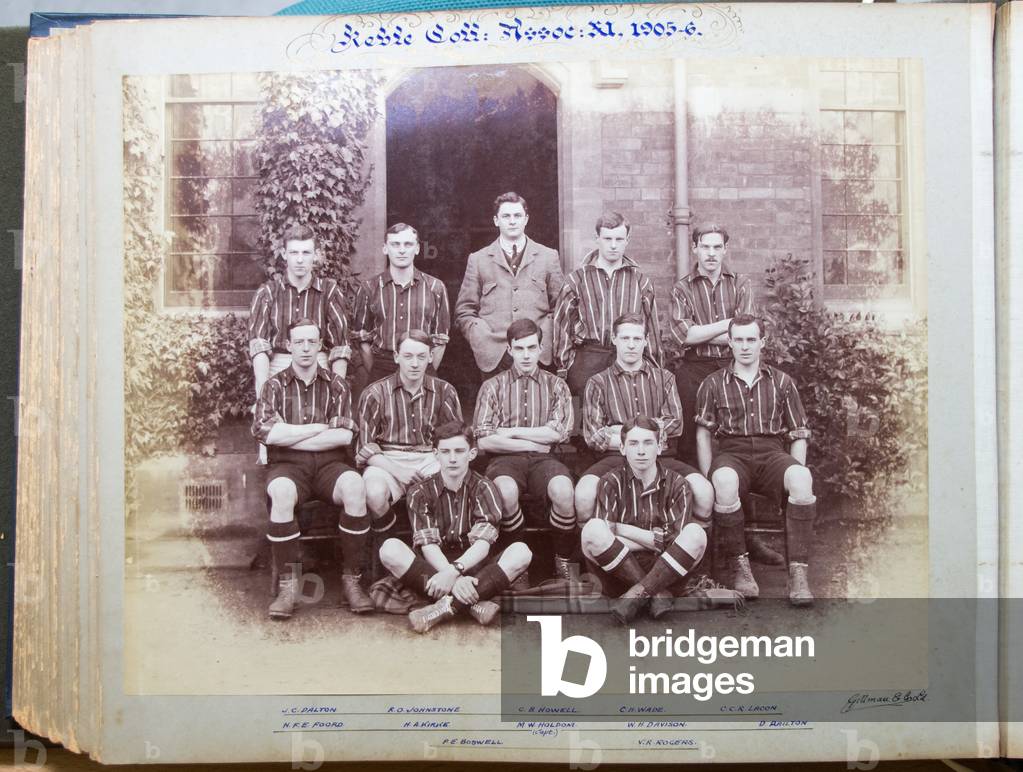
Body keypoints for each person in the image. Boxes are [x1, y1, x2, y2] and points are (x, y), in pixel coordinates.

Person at [669, 225, 781, 566]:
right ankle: (700, 536)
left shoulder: (740, 284)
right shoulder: (683, 287)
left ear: (725, 250)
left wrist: (713, 331)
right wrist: (727, 326)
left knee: (737, 448)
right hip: (694, 371)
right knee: (693, 447)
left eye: (717, 247)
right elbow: (684, 336)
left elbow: (746, 332)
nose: (711, 253)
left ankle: (744, 539)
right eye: (705, 246)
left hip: (735, 370)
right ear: (695, 248)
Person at [251, 318, 372, 620]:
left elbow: (343, 436)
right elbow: (267, 433)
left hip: (331, 463)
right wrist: (319, 428)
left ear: (320, 346)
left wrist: (290, 434)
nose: (305, 348)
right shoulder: (273, 386)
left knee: (355, 487)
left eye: (311, 342)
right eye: (299, 342)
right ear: (288, 346)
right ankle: (288, 586)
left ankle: (352, 581)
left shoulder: (337, 385)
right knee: (281, 492)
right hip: (288, 467)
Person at [695, 314, 817, 606]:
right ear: (729, 343)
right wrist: (709, 476)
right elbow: (703, 434)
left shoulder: (782, 382)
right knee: (724, 480)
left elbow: (798, 434)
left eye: (751, 339)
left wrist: (795, 473)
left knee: (802, 478)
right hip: (732, 452)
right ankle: (741, 567)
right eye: (738, 340)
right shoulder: (713, 383)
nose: (745, 346)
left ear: (763, 342)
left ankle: (798, 574)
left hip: (772, 452)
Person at [378, 422, 533, 633]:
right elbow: (428, 545)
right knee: (389, 549)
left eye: (459, 451)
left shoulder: (485, 487)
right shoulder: (419, 492)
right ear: (436, 454)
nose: (452, 458)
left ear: (472, 454)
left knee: (521, 552)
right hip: (433, 569)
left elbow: (483, 543)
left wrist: (456, 571)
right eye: (445, 451)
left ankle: (443, 608)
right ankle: (473, 604)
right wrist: (451, 575)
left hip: (475, 567)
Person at [575, 313, 714, 528]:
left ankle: (688, 546)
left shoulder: (665, 378)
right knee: (583, 496)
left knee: (704, 493)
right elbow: (594, 436)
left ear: (646, 341)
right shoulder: (598, 382)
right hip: (615, 459)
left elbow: (675, 424)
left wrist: (619, 431)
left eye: (637, 339)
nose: (631, 345)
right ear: (614, 339)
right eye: (625, 338)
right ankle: (595, 548)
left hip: (661, 458)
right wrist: (650, 434)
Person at [474, 319, 577, 579]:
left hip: (545, 461)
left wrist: (510, 431)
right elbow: (484, 440)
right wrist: (533, 443)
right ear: (509, 349)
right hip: (505, 460)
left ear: (541, 348)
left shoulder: (557, 385)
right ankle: (517, 566)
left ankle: (563, 560)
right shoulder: (492, 386)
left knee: (564, 491)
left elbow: (559, 432)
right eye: (519, 349)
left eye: (532, 347)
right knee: (505, 492)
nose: (526, 355)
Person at [580, 416, 707, 624]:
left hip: (667, 572)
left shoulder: (678, 484)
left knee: (696, 534)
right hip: (619, 573)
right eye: (633, 443)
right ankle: (655, 594)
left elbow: (674, 541)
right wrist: (655, 539)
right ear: (622, 448)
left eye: (648, 443)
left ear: (660, 447)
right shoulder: (610, 482)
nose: (641, 451)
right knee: (592, 529)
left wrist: (621, 529)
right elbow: (605, 536)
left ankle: (636, 595)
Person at [356, 330, 463, 537]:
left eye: (421, 357)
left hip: (431, 456)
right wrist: (399, 471)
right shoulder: (375, 392)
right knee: (373, 493)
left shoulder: (445, 391)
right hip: (387, 458)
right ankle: (390, 542)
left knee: (453, 486)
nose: (415, 364)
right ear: (397, 357)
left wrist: (440, 464)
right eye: (408, 356)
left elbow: (456, 438)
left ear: (430, 357)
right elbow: (365, 447)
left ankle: (436, 546)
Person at [455, 192, 564, 377]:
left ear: (526, 219)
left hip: (536, 354)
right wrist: (484, 340)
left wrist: (542, 339)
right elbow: (464, 311)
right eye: (506, 216)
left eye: (517, 216)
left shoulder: (548, 257)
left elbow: (561, 308)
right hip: (495, 358)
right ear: (496, 220)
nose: (512, 221)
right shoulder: (478, 259)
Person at [554, 211, 661, 395]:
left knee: (626, 411)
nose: (613, 245)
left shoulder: (641, 282)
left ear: (627, 240)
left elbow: (651, 330)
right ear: (597, 239)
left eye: (619, 239)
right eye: (607, 239)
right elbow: (562, 326)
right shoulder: (577, 280)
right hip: (588, 360)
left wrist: (652, 367)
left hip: (628, 360)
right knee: (587, 412)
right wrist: (566, 366)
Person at [352, 223, 450, 384]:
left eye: (408, 244)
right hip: (382, 367)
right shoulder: (369, 288)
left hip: (421, 366)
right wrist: (377, 376)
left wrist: (425, 370)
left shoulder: (435, 287)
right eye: (395, 244)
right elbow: (362, 339)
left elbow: (440, 340)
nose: (402, 250)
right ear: (385, 248)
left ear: (417, 248)